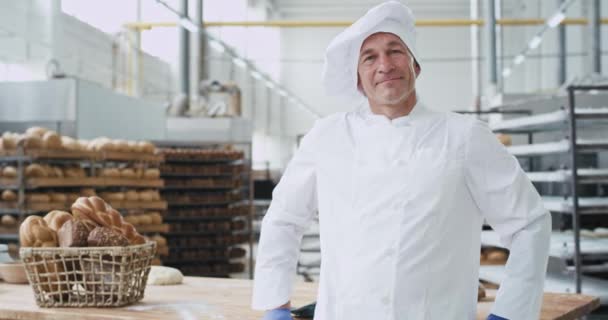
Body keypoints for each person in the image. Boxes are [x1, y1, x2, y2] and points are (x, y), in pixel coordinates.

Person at [252, 1, 551, 319]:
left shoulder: (464, 136)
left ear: (415, 65)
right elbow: (284, 220)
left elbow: (530, 223)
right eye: (369, 57)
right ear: (358, 79)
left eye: (395, 51)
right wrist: (276, 305)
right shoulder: (326, 137)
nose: (385, 65)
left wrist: (509, 313)